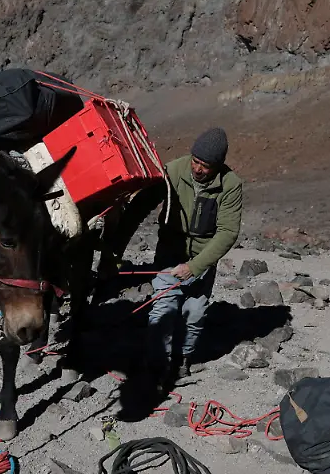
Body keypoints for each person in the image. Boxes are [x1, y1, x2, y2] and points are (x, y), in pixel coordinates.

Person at [104, 126, 244, 391]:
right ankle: (157, 367)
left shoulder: (231, 186)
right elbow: (139, 208)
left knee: (195, 313)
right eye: (195, 161)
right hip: (170, 252)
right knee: (164, 306)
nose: (198, 169)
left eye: (205, 166)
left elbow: (227, 233)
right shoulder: (173, 171)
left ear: (218, 165)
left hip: (202, 257)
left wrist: (194, 267)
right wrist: (115, 252)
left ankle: (183, 359)